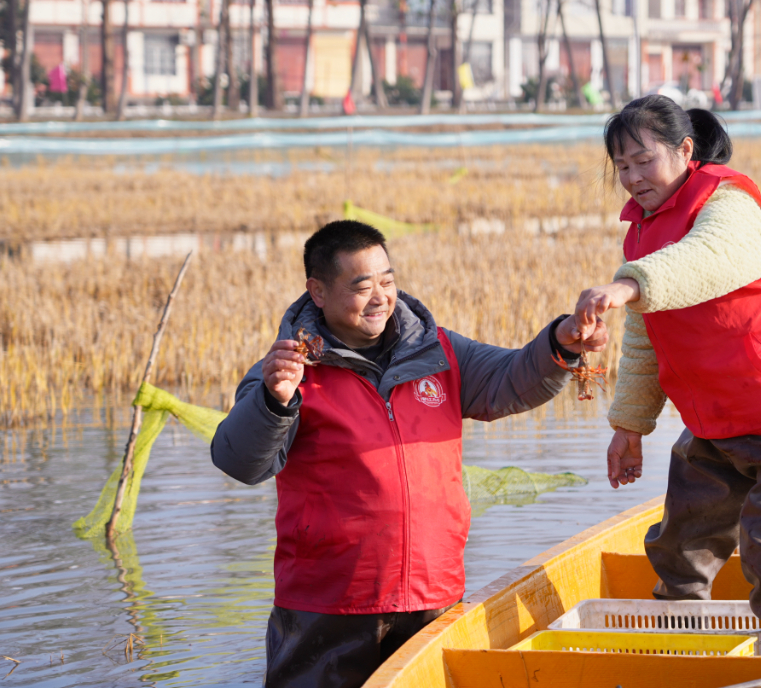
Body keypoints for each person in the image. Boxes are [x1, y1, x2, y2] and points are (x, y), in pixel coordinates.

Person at [211, 220, 607, 687]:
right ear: (317, 292)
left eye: (387, 280)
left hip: (432, 592)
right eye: (362, 286)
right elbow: (240, 462)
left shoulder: (439, 353)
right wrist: (275, 401)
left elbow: (510, 380)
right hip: (329, 604)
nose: (380, 296)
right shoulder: (287, 372)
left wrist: (560, 342)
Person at [572, 95, 761, 658]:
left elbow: (707, 258)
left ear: (685, 150)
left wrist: (626, 286)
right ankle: (680, 660)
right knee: (678, 550)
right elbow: (649, 340)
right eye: (621, 167)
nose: (631, 177)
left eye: (643, 161)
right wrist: (629, 426)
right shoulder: (643, 234)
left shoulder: (730, 204)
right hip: (716, 428)